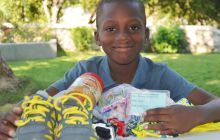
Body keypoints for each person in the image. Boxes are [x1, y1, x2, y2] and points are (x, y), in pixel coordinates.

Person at [1, 0, 220, 139]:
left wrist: (197, 114)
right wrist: (15, 117)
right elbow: (42, 100)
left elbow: (216, 103)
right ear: (98, 37)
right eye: (111, 28)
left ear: (146, 34)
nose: (123, 37)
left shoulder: (159, 74)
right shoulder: (84, 71)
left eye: (134, 27)